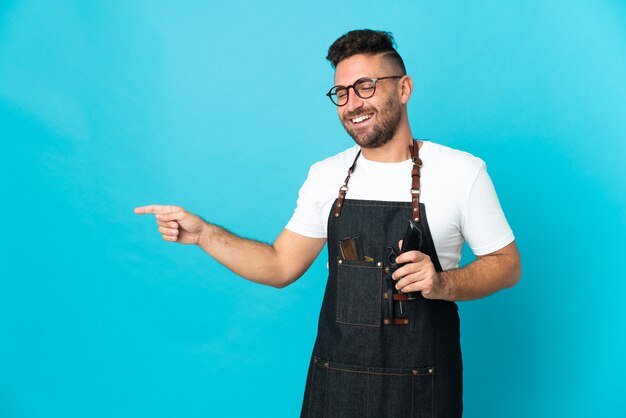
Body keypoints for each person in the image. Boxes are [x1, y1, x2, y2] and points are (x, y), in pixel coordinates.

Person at [135, 29, 521, 418]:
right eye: (342, 92)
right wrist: (205, 235)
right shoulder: (325, 175)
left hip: (421, 388)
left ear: (403, 88)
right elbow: (280, 264)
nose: (353, 103)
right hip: (336, 386)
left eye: (366, 86)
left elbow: (507, 265)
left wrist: (442, 283)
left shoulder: (460, 172)